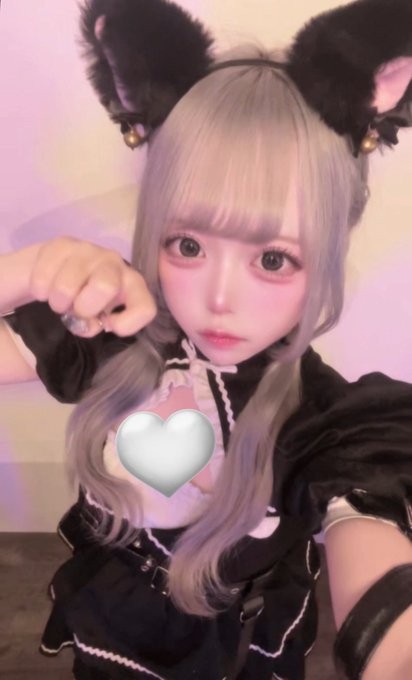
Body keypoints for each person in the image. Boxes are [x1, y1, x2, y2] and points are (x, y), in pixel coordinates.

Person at [1, 0, 412, 678]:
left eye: (273, 259)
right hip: (115, 628)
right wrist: (21, 273)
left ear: (330, 251)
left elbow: (378, 575)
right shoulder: (109, 330)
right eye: (188, 245)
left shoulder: (328, 422)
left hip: (240, 648)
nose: (219, 298)